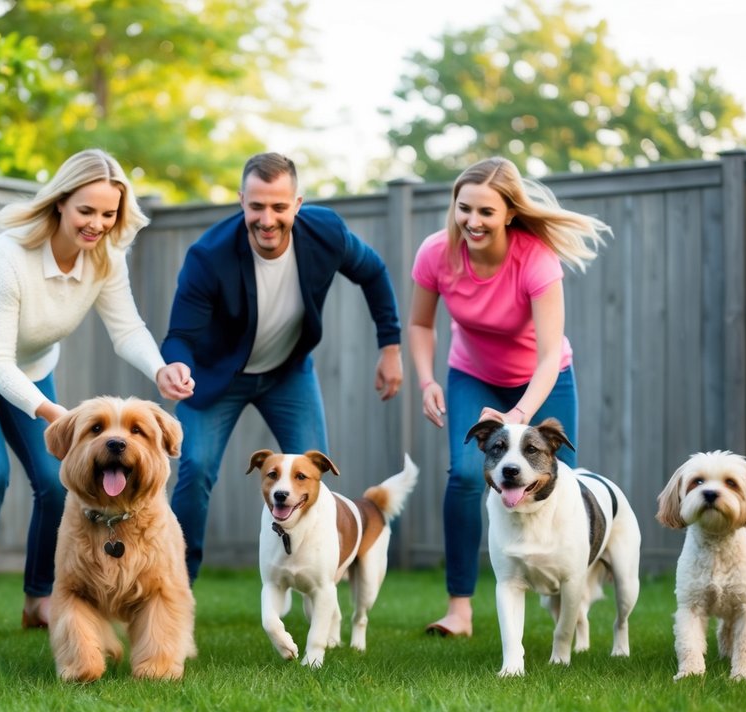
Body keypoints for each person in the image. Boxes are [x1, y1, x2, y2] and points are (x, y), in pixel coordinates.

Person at [0, 149, 194, 641]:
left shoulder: (106, 258)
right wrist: (59, 418)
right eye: (86, 211)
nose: (96, 224)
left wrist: (160, 369)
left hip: (31, 365)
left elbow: (127, 327)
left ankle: (39, 599)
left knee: (53, 479)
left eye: (108, 214)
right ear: (61, 203)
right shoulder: (10, 256)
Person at [162, 152, 404, 583]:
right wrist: (177, 364)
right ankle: (179, 587)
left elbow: (373, 272)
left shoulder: (325, 232)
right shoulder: (208, 257)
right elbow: (180, 333)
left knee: (315, 476)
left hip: (288, 373)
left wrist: (390, 346)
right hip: (218, 378)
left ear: (297, 203)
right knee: (194, 468)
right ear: (241, 202)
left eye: (279, 206)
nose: (267, 218)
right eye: (256, 206)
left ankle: (319, 581)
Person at [409, 156, 610, 638]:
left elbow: (546, 356)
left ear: (509, 214)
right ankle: (460, 609)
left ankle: (568, 599)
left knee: (562, 481)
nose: (472, 222)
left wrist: (518, 415)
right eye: (464, 209)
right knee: (462, 475)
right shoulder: (436, 253)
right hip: (472, 374)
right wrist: (426, 381)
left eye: (485, 212)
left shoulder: (536, 259)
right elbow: (419, 324)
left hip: (543, 378)